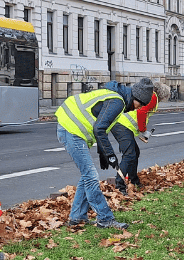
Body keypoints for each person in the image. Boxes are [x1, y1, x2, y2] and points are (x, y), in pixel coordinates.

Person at [56, 78, 159, 230]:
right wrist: (110, 155)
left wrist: (104, 153)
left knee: (87, 175)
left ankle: (77, 216)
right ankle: (105, 218)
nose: (139, 108)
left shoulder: (119, 98)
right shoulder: (118, 102)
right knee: (90, 176)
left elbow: (100, 125)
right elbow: (99, 128)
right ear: (136, 98)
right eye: (141, 104)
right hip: (70, 128)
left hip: (69, 125)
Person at [106, 82, 171, 193]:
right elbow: (141, 112)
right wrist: (143, 131)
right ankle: (119, 185)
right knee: (129, 155)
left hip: (122, 123)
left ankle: (134, 180)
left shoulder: (150, 95)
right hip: (122, 124)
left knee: (135, 152)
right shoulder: (153, 97)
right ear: (163, 95)